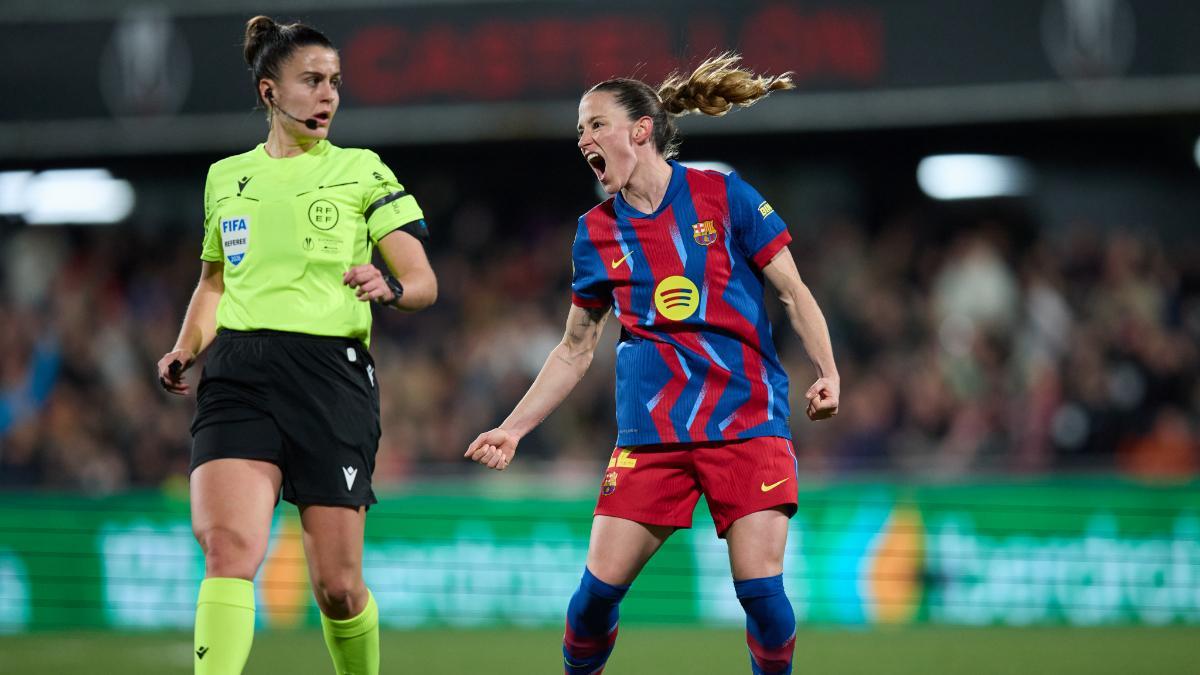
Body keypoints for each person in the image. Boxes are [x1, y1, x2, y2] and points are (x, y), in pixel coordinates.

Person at [465, 53, 839, 675]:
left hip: (745, 422)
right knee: (591, 603)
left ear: (640, 129)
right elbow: (575, 348)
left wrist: (827, 370)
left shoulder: (723, 195)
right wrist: (514, 428)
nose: (583, 138)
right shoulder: (595, 233)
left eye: (595, 124)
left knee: (764, 599)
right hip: (653, 436)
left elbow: (794, 292)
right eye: (580, 129)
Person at [157, 15, 436, 675]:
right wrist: (184, 345)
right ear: (269, 92)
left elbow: (424, 280)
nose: (328, 95)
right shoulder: (226, 179)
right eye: (312, 81)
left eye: (334, 82)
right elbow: (214, 283)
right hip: (238, 374)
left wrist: (389, 285)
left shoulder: (362, 170)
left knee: (337, 588)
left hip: (329, 378)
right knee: (228, 549)